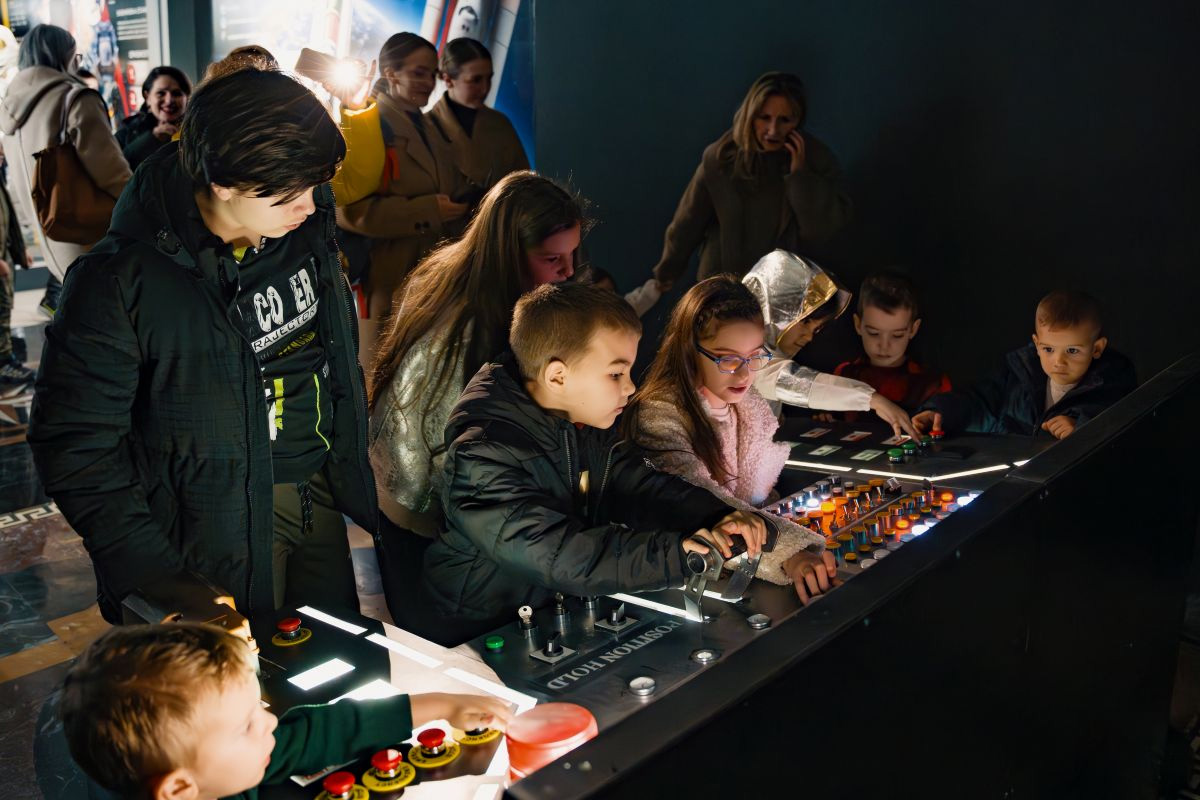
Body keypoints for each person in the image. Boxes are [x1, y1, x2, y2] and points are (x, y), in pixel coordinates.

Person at [27, 69, 377, 623]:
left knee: (335, 660)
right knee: (247, 677)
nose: (309, 206)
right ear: (224, 183)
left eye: (315, 188)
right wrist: (156, 575)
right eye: (291, 194)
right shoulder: (119, 280)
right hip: (212, 532)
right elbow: (76, 443)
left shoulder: (300, 224)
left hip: (318, 497)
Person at [418, 281, 769, 646]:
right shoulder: (482, 454)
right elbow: (559, 555)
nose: (630, 387)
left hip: (550, 611)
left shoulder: (582, 426)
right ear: (557, 376)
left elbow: (640, 487)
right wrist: (675, 557)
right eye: (616, 373)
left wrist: (717, 516)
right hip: (473, 633)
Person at [369, 171, 582, 628]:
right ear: (509, 254)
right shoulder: (481, 329)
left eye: (572, 255)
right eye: (552, 259)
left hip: (401, 500)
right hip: (425, 514)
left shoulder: (444, 272)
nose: (568, 272)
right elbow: (469, 461)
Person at [61, 622, 512, 800]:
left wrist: (440, 705)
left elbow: (312, 734)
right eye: (246, 724)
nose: (271, 720)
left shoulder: (206, 768)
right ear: (178, 788)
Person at [624, 276, 838, 605]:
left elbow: (753, 495)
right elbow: (698, 502)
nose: (744, 374)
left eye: (754, 357)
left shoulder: (746, 406)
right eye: (728, 359)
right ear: (689, 351)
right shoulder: (658, 416)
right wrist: (790, 553)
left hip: (748, 563)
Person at [337, 32, 472, 370]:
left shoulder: (431, 126)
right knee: (382, 380)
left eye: (432, 73)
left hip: (432, 278)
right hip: (387, 279)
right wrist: (428, 211)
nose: (428, 82)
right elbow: (349, 211)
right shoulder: (367, 121)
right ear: (391, 73)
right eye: (418, 73)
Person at [650, 71, 851, 289]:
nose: (773, 130)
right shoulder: (721, 159)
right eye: (764, 118)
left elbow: (823, 234)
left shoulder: (816, 159)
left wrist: (800, 178)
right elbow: (687, 223)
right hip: (722, 286)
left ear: (798, 120)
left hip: (782, 290)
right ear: (751, 115)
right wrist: (664, 276)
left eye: (784, 120)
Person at [0, 24, 131, 314]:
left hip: (54, 243)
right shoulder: (74, 99)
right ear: (65, 56)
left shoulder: (10, 109)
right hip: (93, 236)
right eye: (76, 56)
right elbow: (113, 174)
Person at [743, 250, 920, 438]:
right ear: (775, 310)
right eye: (805, 322)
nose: (809, 337)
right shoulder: (744, 357)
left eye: (816, 329)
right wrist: (872, 399)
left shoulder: (768, 355)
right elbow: (791, 380)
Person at [914, 290, 1136, 439]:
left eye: (1072, 351)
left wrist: (1081, 429)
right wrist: (939, 413)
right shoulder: (1019, 374)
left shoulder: (1113, 384)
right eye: (1048, 349)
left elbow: (1121, 431)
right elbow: (980, 402)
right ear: (1037, 344)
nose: (1059, 361)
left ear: (1097, 348)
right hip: (1011, 480)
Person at [828, 270, 952, 416]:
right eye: (874, 333)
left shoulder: (932, 384)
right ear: (858, 325)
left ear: (913, 329)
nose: (884, 345)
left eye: (897, 335)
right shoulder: (845, 375)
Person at [427, 37, 529, 190]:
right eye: (476, 80)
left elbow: (525, 185)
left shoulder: (500, 124)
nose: (485, 88)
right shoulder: (425, 128)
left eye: (489, 79)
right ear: (448, 80)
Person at [115, 66, 192, 171]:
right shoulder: (128, 131)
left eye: (176, 93)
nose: (169, 101)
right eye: (161, 93)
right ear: (147, 97)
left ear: (186, 97)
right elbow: (115, 168)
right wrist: (152, 138)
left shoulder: (198, 130)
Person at [0, 172, 32, 391]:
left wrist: (20, 250)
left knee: (4, 307)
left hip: (5, 254)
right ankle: (3, 364)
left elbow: (7, 216)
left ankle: (6, 360)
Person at [587, 265, 663, 318]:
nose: (610, 297)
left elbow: (643, 298)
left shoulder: (622, 311)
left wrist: (658, 284)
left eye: (611, 291)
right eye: (603, 293)